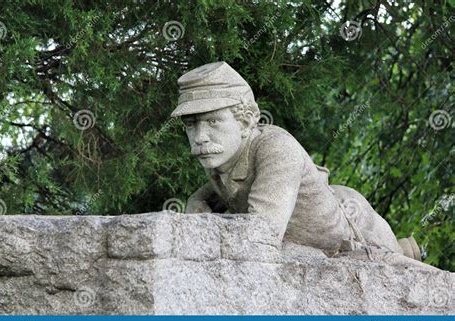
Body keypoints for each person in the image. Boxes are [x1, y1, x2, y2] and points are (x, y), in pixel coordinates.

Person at [171, 61, 421, 261]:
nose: (200, 137)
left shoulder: (276, 148)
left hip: (354, 227)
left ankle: (407, 250)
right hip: (316, 236)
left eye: (213, 121)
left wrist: (207, 229)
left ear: (246, 121)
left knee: (400, 264)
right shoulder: (219, 157)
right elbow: (207, 196)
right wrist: (197, 207)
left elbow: (262, 233)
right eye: (191, 124)